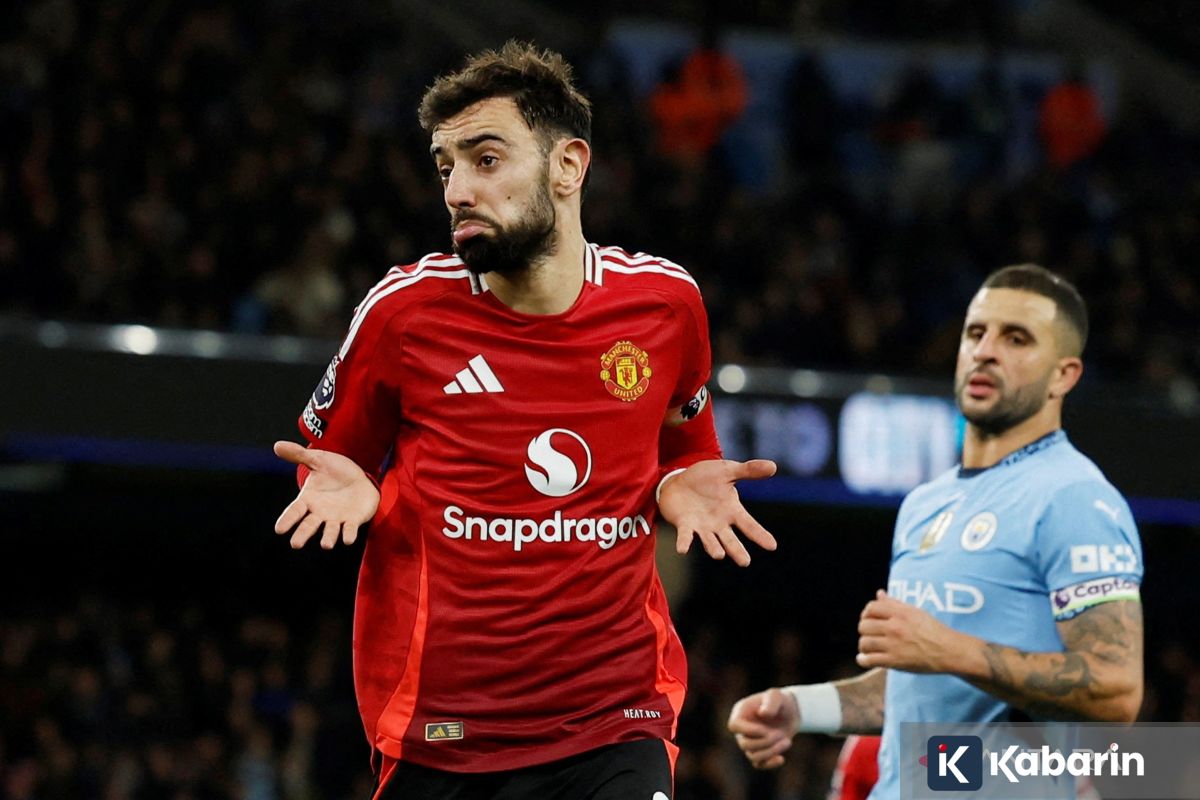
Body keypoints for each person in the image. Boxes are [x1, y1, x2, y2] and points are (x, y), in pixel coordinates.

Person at [272, 41, 778, 800]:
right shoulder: (403, 315)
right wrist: (345, 484)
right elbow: (331, 463)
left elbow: (686, 439)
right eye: (445, 168)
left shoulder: (666, 306)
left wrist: (683, 476)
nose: (456, 191)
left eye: (485, 159)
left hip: (614, 720)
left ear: (568, 166)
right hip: (444, 733)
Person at [728, 264, 1144, 797]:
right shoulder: (926, 503)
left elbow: (1116, 690)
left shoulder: (1074, 497)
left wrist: (947, 648)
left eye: (1016, 339)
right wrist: (799, 707)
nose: (985, 351)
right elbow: (919, 689)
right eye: (976, 333)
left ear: (1063, 375)